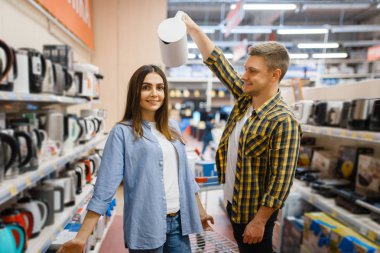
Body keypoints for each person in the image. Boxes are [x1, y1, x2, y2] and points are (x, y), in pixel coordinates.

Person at [57, 65, 214, 253]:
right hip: (146, 226)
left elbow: (186, 177)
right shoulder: (122, 132)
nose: (154, 93)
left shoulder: (172, 127)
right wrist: (82, 237)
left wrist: (201, 213)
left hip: (179, 225)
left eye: (160, 87)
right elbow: (105, 187)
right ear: (135, 92)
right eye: (146, 87)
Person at [183, 14, 302, 253]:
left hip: (253, 215)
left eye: (252, 71)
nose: (244, 76)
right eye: (245, 69)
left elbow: (281, 181)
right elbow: (219, 63)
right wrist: (193, 29)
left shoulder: (283, 120)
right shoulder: (246, 99)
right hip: (234, 204)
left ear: (274, 75)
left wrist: (259, 221)